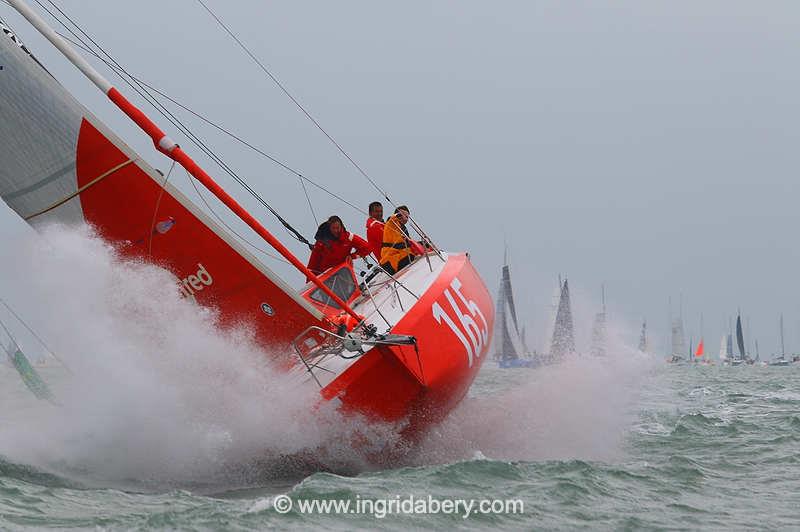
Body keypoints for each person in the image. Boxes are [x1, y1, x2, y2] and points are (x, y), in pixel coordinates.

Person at [306, 215, 371, 279]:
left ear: (341, 226)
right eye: (333, 228)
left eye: (337, 228)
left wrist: (352, 256)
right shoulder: (321, 242)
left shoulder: (348, 237)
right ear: (329, 228)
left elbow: (367, 248)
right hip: (326, 276)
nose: (336, 230)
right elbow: (312, 264)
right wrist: (310, 281)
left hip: (345, 273)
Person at [380, 205, 424, 275]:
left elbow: (409, 244)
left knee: (422, 246)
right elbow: (393, 218)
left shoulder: (403, 228)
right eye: (404, 216)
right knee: (411, 255)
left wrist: (422, 244)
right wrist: (398, 214)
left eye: (407, 217)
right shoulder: (392, 223)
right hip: (389, 261)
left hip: (398, 256)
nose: (406, 219)